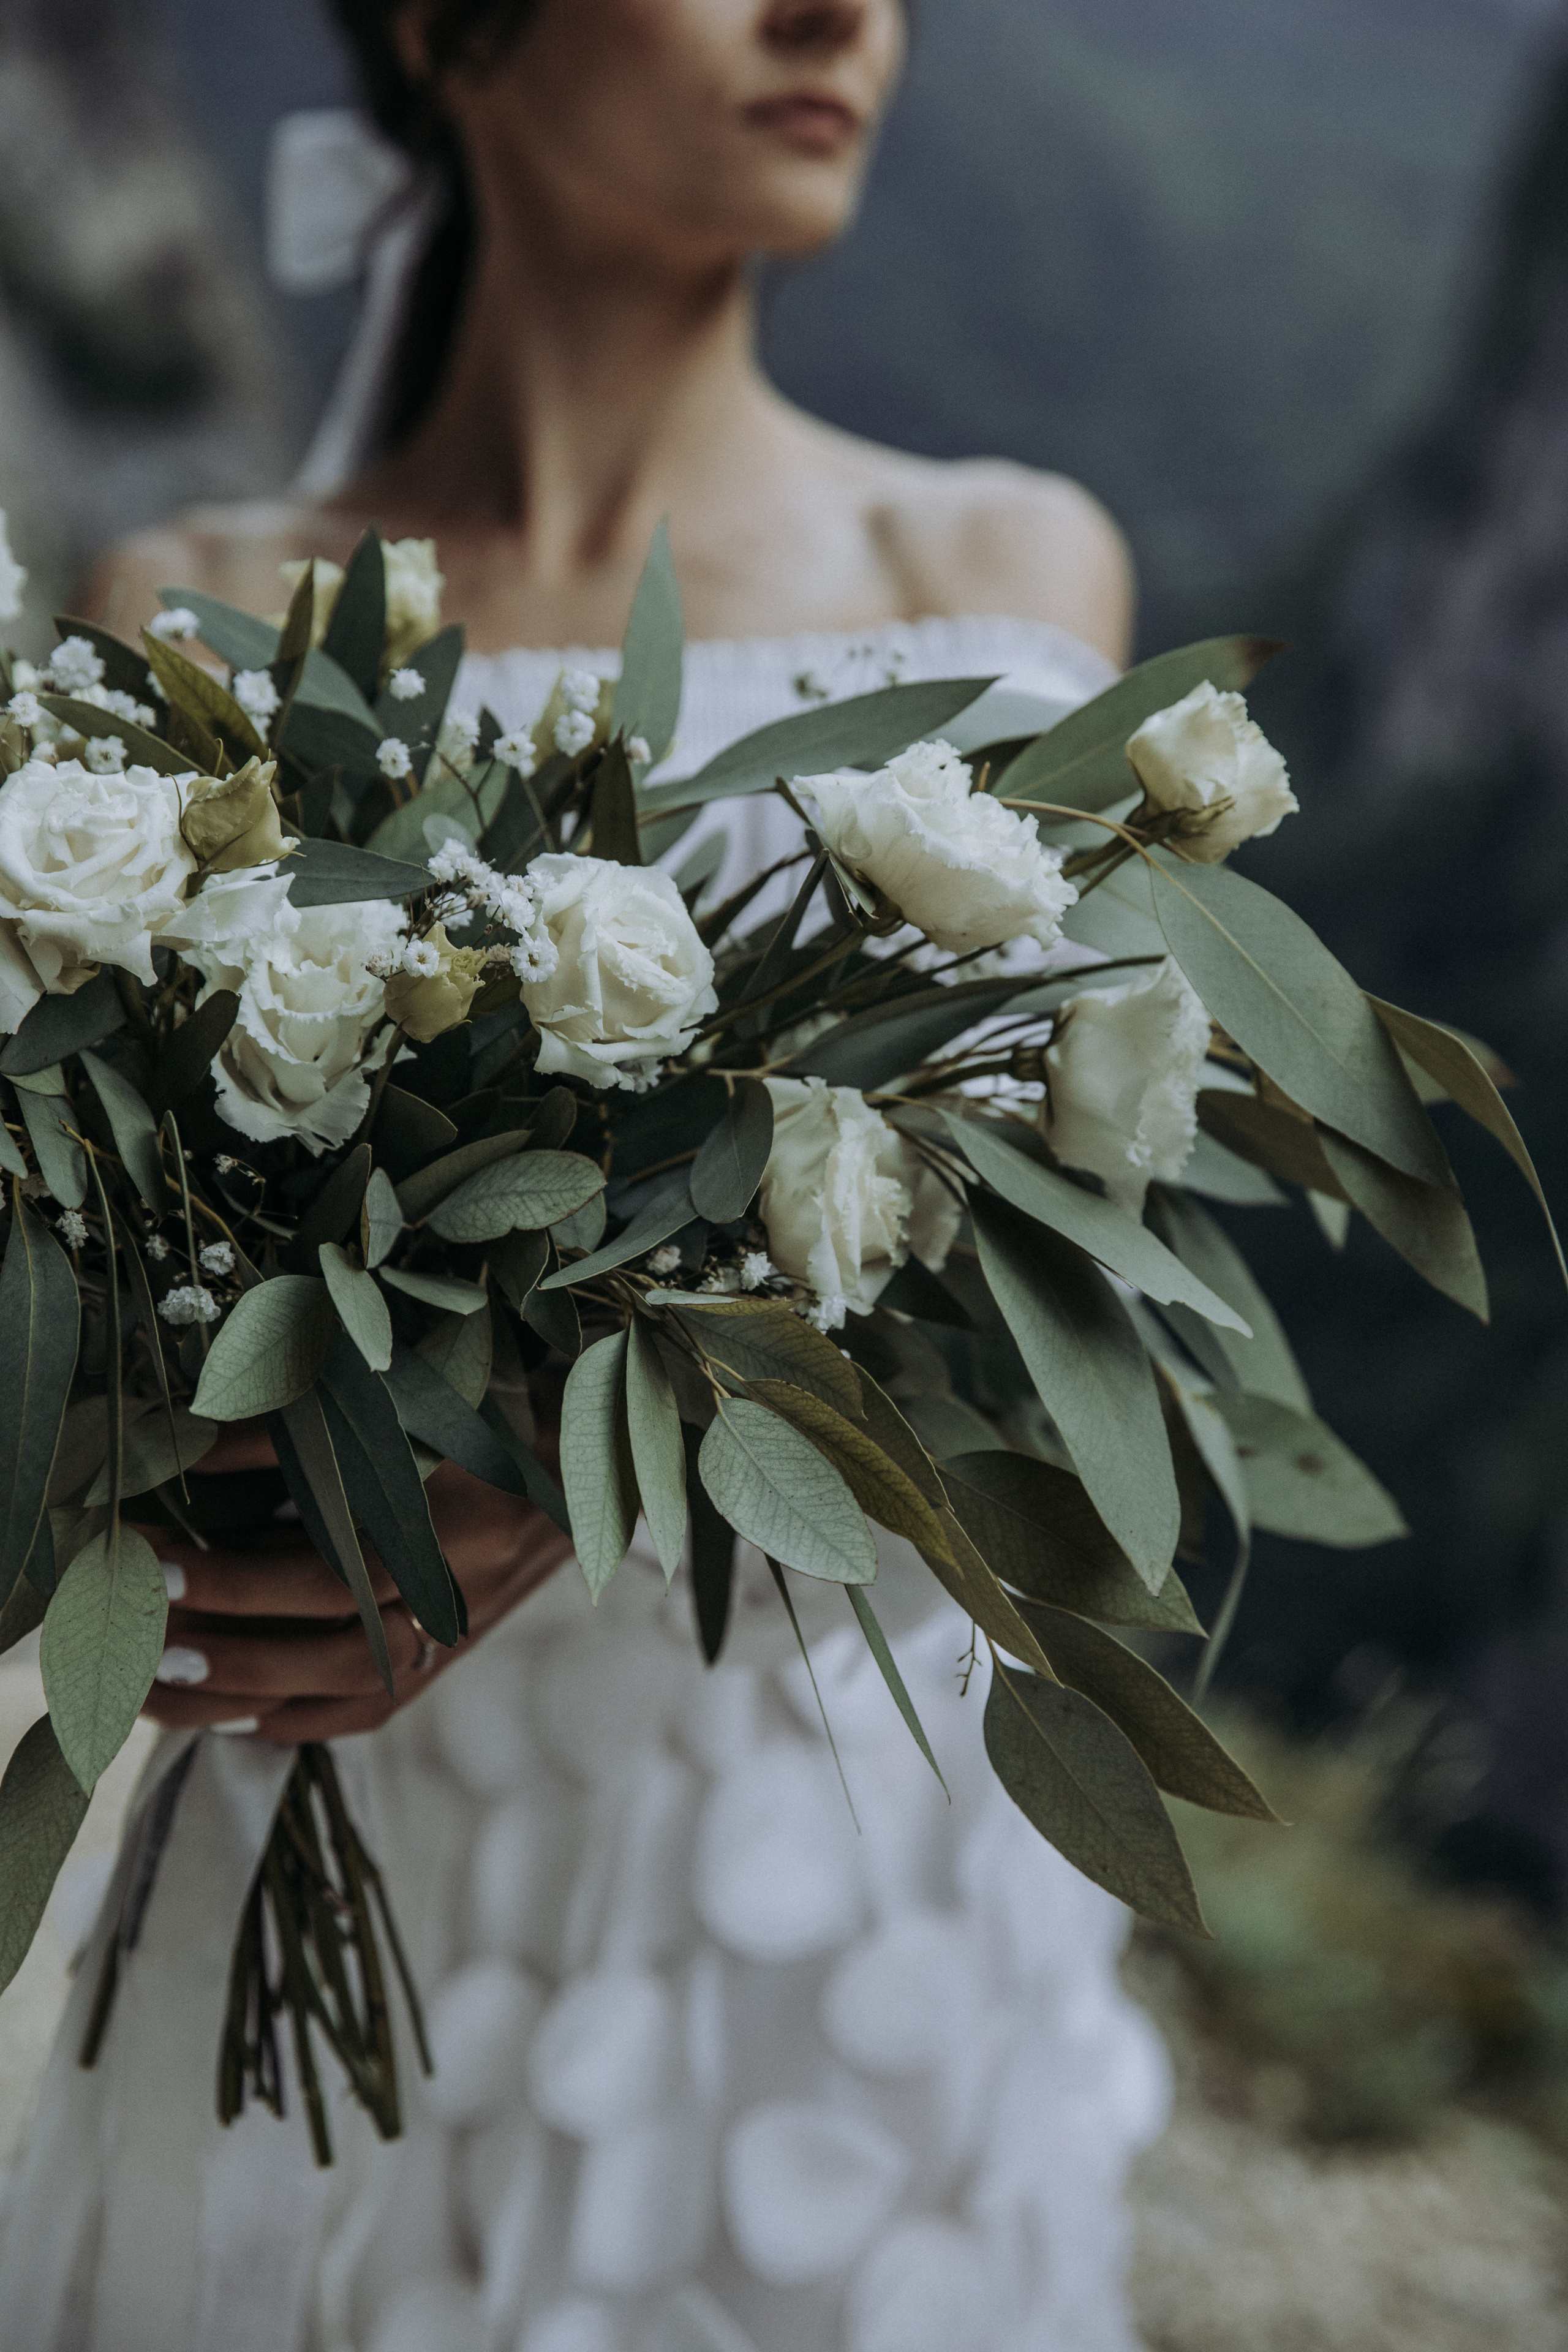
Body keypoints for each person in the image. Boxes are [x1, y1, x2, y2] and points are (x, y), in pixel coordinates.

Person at [0, 7, 1170, 2350]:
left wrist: (579, 1463)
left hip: (809, 1857)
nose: (846, 12)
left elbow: (1042, 1287)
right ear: (447, 27)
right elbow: (107, 1240)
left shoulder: (1003, 569)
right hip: (336, 1789)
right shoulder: (196, 604)